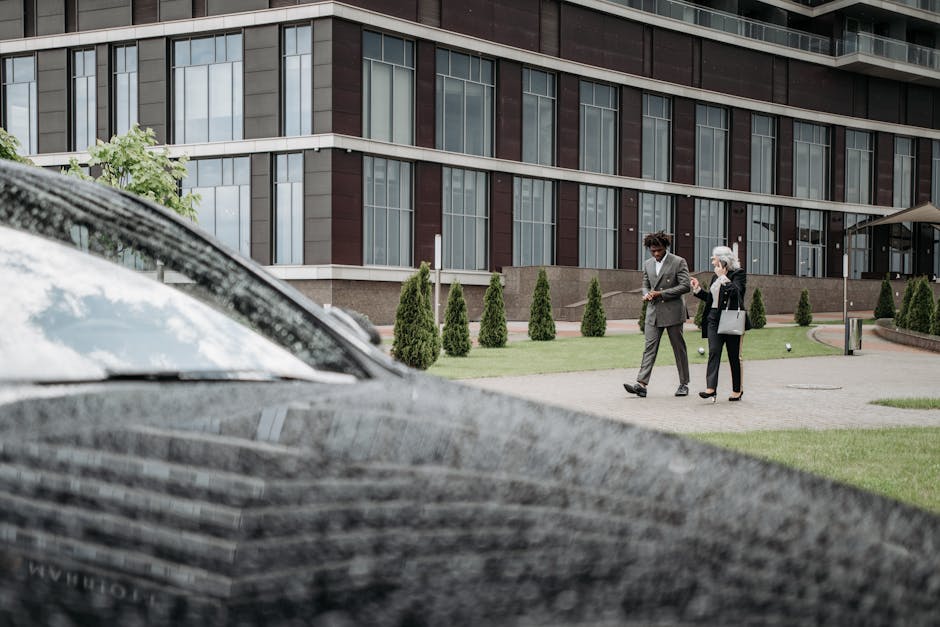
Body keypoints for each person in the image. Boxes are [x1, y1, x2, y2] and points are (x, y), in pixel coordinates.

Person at [623, 231, 691, 398]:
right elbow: (645, 284)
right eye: (652, 251)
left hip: (673, 312)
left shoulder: (678, 262)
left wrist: (661, 294)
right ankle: (641, 384)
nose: (656, 254)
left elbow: (685, 286)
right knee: (649, 348)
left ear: (665, 247)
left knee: (678, 349)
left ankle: (684, 384)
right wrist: (646, 293)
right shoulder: (647, 264)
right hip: (653, 312)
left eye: (659, 250)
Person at [690, 245, 747, 402]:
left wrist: (723, 277)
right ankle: (711, 389)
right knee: (714, 352)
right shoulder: (715, 275)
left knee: (734, 356)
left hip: (731, 319)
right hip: (714, 319)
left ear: (723, 260)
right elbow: (712, 299)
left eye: (714, 257)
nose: (712, 260)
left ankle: (737, 390)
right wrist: (698, 290)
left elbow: (736, 293)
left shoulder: (738, 274)